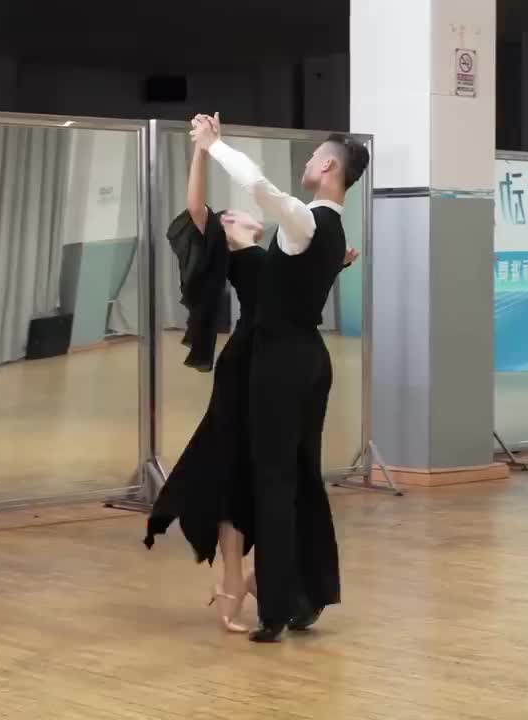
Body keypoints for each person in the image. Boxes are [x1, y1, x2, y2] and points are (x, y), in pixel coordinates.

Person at [144, 116, 358, 634]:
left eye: (314, 158)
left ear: (329, 167)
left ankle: (271, 586)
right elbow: (204, 209)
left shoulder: (299, 234)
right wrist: (204, 150)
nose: (237, 214)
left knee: (275, 477)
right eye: (229, 218)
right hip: (257, 363)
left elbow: (271, 209)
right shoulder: (261, 246)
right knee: (247, 475)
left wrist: (333, 264)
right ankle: (249, 582)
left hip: (280, 363)